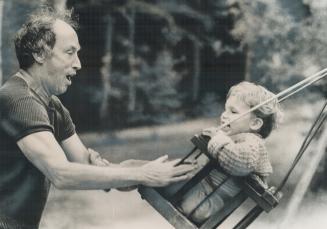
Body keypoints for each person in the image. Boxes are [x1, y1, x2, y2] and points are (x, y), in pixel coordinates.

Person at [0, 7, 196, 229]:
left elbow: (84, 165)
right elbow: (61, 173)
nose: (78, 63)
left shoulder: (51, 105)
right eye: (69, 52)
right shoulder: (19, 99)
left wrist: (154, 170)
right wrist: (144, 173)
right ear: (39, 53)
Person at [179, 81, 283, 224]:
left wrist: (217, 140)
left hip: (206, 201)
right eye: (225, 109)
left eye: (233, 112)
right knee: (171, 174)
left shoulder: (253, 142)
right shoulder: (237, 138)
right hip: (202, 191)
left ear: (255, 124)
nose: (224, 115)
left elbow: (241, 162)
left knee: (169, 181)